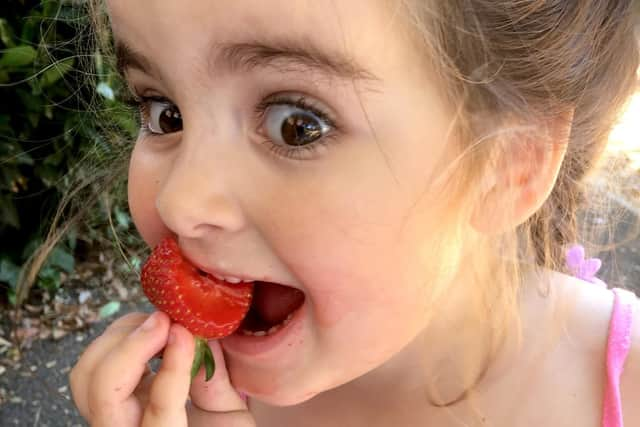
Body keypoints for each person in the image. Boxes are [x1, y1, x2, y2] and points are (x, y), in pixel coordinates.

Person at [69, 1, 640, 426]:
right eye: (165, 113)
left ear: (508, 165)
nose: (179, 201)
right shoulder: (187, 401)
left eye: (297, 124)